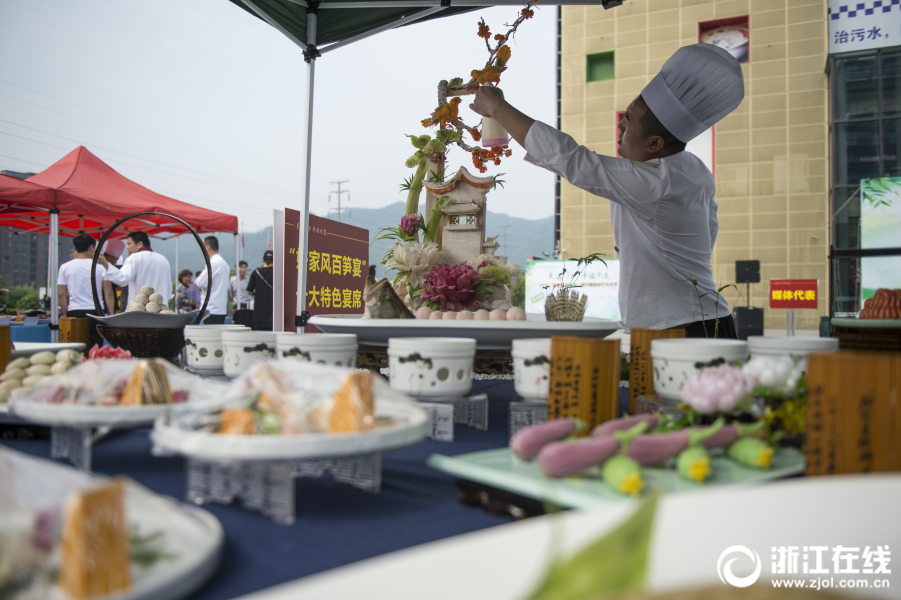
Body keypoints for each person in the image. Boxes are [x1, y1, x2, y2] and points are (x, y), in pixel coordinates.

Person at [470, 43, 744, 338]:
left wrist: (498, 108)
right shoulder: (691, 169)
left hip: (679, 329)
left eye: (629, 121)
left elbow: (573, 160)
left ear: (654, 144)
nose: (621, 125)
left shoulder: (656, 182)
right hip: (705, 319)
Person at [57, 233, 113, 350]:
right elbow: (108, 293)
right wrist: (111, 315)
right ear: (91, 247)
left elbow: (61, 294)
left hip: (75, 311)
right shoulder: (101, 267)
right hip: (96, 312)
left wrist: (65, 313)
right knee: (94, 349)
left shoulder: (65, 267)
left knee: (76, 349)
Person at [97, 231, 172, 309]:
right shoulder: (163, 259)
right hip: (159, 309)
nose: (127, 247)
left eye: (129, 244)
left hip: (139, 309)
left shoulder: (135, 258)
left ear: (139, 244)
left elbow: (122, 279)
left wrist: (105, 263)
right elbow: (168, 291)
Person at [194, 236, 230, 325]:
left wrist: (199, 277)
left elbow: (200, 282)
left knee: (210, 337)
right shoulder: (224, 263)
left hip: (211, 308)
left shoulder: (213, 263)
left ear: (208, 247)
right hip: (220, 308)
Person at [246, 250, 274, 331]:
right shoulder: (278, 273)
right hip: (273, 315)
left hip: (259, 315)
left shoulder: (256, 272)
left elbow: (248, 290)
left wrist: (257, 293)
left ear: (263, 260)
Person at [102, 239, 126, 314]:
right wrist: (111, 312)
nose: (116, 262)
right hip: (106, 306)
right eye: (115, 259)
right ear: (109, 257)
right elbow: (108, 292)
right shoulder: (103, 268)